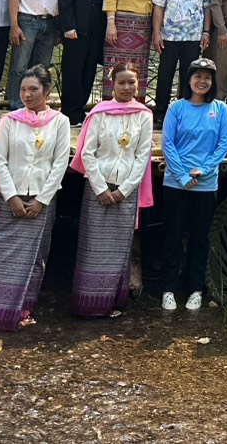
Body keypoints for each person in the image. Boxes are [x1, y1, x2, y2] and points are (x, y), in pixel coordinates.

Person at [0, 65, 71, 331]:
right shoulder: (9, 120)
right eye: (23, 89)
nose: (27, 95)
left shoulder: (60, 122)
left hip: (42, 199)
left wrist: (42, 200)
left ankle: (24, 309)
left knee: (36, 256)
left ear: (47, 92)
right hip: (9, 198)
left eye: (33, 90)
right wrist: (11, 196)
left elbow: (60, 163)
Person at [70, 63, 154, 318]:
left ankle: (113, 302)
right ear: (112, 85)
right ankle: (88, 304)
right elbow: (87, 152)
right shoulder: (99, 114)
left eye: (131, 83)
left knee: (119, 249)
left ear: (138, 85)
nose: (127, 87)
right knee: (92, 247)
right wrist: (101, 189)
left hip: (126, 190)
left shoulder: (144, 115)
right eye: (121, 83)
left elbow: (142, 156)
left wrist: (124, 190)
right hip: (98, 188)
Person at [161, 57, 227, 312]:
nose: (202, 81)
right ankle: (168, 288)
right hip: (175, 183)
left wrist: (204, 169)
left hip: (205, 184)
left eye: (207, 77)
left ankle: (196, 289)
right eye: (197, 76)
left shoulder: (220, 109)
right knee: (173, 235)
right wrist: (182, 176)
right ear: (189, 80)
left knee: (200, 238)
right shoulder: (176, 108)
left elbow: (223, 143)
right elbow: (168, 143)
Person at [57, 0, 113, 125]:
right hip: (77, 24)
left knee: (89, 69)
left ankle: (80, 110)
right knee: (73, 69)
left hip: (98, 25)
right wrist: (68, 26)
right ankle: (69, 112)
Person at [153, 0, 212, 118]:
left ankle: (184, 112)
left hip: (193, 37)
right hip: (169, 36)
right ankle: (160, 113)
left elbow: (207, 7)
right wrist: (157, 32)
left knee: (189, 75)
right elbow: (159, 6)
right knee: (165, 74)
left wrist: (206, 31)